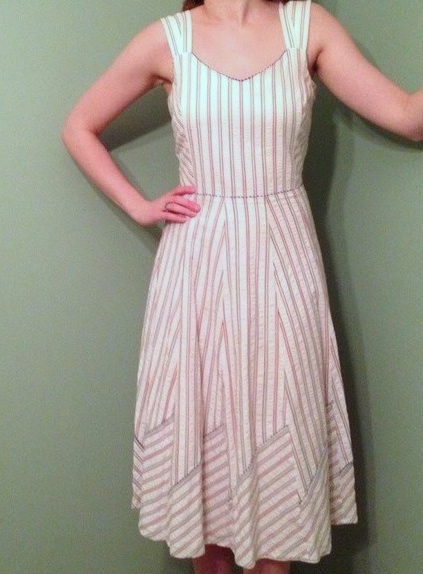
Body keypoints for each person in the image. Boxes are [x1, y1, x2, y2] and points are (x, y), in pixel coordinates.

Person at [61, 0, 423, 572]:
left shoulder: (308, 25)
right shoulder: (167, 39)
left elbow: (408, 115)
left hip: (284, 264)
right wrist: (138, 205)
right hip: (197, 269)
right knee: (201, 453)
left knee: (281, 443)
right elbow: (79, 126)